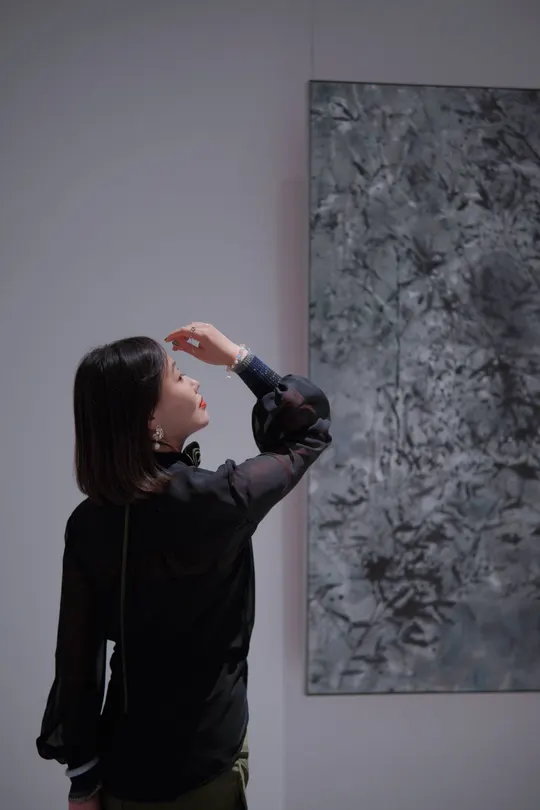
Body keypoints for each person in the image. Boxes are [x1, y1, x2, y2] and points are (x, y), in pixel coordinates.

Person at [36, 322, 332, 810]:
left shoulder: (88, 522)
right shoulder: (218, 499)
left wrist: (82, 779)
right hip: (206, 766)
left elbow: (77, 657)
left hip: (123, 767)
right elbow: (308, 428)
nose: (194, 381)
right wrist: (238, 359)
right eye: (177, 376)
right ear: (148, 416)